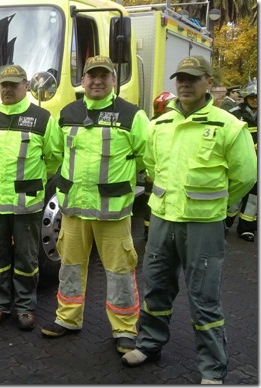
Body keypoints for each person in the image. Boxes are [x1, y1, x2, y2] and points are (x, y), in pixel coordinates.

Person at [121, 56, 257, 384]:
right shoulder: (159, 126)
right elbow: (152, 167)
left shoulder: (229, 126)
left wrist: (215, 206)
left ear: (208, 83)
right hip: (164, 220)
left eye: (192, 78)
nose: (184, 84)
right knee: (156, 287)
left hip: (203, 226)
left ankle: (212, 369)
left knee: (204, 298)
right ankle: (150, 343)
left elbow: (246, 176)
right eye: (180, 78)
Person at [40, 56, 149, 355]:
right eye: (91, 76)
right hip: (74, 209)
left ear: (113, 80)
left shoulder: (132, 115)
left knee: (120, 272)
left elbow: (145, 157)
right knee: (70, 268)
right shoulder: (67, 113)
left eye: (104, 75)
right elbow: (54, 155)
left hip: (112, 213)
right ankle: (67, 319)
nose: (97, 81)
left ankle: (125, 329)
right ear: (83, 80)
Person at [0, 65, 58, 331]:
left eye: (13, 84)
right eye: (3, 85)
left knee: (26, 260)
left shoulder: (42, 118)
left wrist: (32, 181)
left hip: (27, 205)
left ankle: (25, 307)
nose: (7, 90)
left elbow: (53, 159)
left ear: (26, 86)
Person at [226, 80, 257, 242]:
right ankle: (225, 223)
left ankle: (247, 228)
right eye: (252, 97)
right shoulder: (234, 114)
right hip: (240, 162)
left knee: (254, 198)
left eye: (258, 97)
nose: (255, 100)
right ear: (246, 98)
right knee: (234, 194)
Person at [142, 91, 176, 240]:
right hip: (154, 173)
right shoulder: (153, 125)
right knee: (152, 203)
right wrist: (150, 174)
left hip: (162, 172)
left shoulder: (170, 123)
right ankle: (149, 232)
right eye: (170, 106)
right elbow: (147, 153)